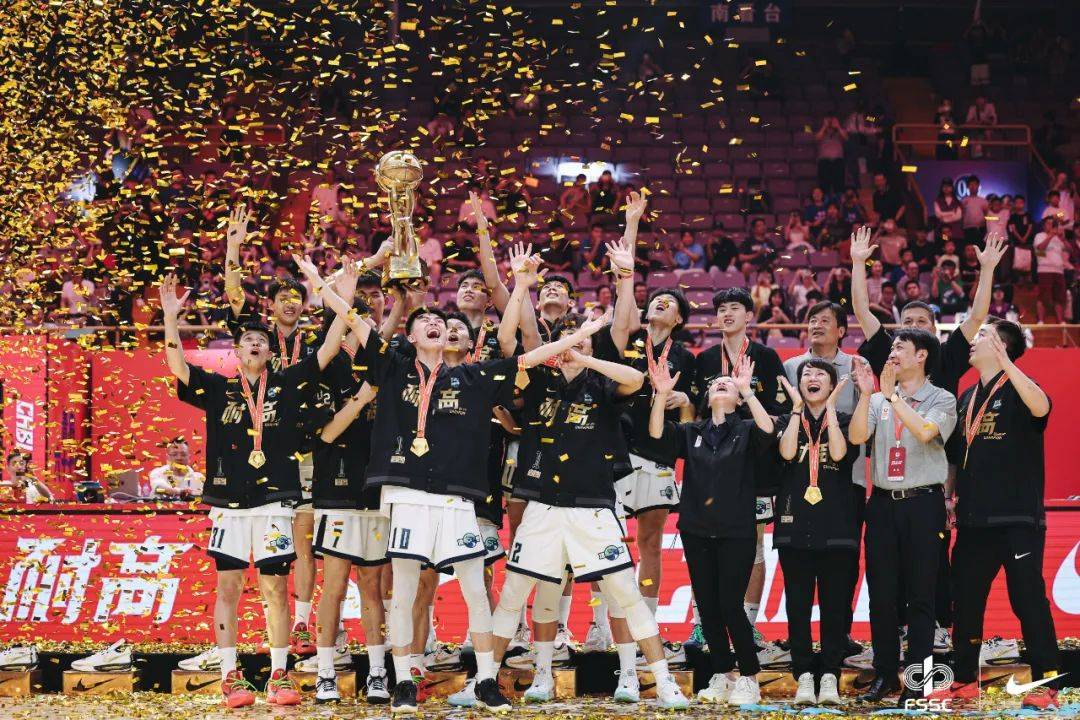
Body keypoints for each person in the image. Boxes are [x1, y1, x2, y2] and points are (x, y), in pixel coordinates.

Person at [325, 244, 601, 713]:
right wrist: (333, 284)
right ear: (411, 335)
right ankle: (405, 680)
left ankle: (487, 680)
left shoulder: (475, 378)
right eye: (426, 322)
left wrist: (577, 332)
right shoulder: (392, 367)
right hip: (407, 495)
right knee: (404, 590)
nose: (437, 325)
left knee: (476, 588)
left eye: (443, 322)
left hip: (457, 499)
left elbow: (531, 357)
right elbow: (353, 319)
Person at [486, 251, 690, 710]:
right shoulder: (538, 382)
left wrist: (586, 356)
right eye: (566, 339)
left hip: (593, 506)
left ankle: (659, 680)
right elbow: (512, 348)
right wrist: (534, 301)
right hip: (542, 503)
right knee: (524, 593)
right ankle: (507, 678)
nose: (572, 347)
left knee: (625, 595)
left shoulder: (602, 385)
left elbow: (635, 378)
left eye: (581, 340)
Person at [160, 265, 348, 709]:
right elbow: (177, 365)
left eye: (262, 339)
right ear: (236, 349)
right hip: (228, 505)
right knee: (228, 589)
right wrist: (170, 318)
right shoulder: (218, 389)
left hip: (275, 504)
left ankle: (279, 674)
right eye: (248, 339)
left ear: (269, 351)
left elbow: (328, 348)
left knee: (275, 590)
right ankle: (230, 675)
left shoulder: (289, 384)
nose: (256, 343)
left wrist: (336, 293)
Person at [928, 320, 1061, 711]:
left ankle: (1048, 683)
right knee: (966, 602)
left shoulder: (1022, 387)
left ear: (1002, 345)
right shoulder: (968, 397)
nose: (974, 340)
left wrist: (1009, 364)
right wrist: (948, 497)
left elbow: (1042, 407)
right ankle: (965, 681)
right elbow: (955, 457)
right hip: (972, 519)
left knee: (1027, 600)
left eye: (982, 335)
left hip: (1017, 518)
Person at [649, 356, 776, 706]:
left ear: (737, 398)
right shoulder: (693, 432)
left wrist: (748, 391)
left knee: (730, 605)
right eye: (715, 383)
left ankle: (749, 676)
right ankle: (721, 673)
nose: (721, 383)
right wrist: (662, 395)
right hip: (696, 530)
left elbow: (769, 431)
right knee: (707, 607)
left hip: (736, 530)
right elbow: (657, 434)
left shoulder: (747, 429)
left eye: (728, 383)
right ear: (706, 397)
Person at [848, 330, 958, 705]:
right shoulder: (879, 398)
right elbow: (857, 436)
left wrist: (893, 397)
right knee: (881, 596)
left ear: (921, 355)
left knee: (921, 596)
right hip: (881, 503)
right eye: (892, 346)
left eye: (900, 347)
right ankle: (884, 675)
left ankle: (918, 681)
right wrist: (868, 395)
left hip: (923, 502)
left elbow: (926, 432)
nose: (892, 352)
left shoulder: (941, 398)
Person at [693, 287, 791, 663]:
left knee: (754, 544)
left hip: (756, 466)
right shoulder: (705, 360)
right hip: (712, 469)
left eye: (734, 307)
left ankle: (746, 623)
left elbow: (780, 414)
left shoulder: (766, 357)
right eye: (721, 309)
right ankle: (704, 623)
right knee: (707, 543)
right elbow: (695, 413)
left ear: (749, 315)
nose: (727, 314)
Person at [781, 302, 867, 659]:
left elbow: (865, 418)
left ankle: (840, 634)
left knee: (843, 560)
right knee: (797, 564)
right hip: (799, 473)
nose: (816, 325)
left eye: (825, 321)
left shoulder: (857, 366)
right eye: (812, 320)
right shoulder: (791, 367)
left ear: (842, 330)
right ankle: (798, 641)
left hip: (847, 474)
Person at [774, 361, 856, 706]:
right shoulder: (787, 420)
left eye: (821, 374)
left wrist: (832, 411)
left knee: (834, 607)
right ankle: (804, 674)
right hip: (794, 525)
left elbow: (838, 453)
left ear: (833, 385)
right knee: (797, 606)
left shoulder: (847, 421)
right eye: (806, 374)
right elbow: (787, 453)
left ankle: (830, 675)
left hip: (837, 527)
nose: (812, 378)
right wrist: (796, 411)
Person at [617, 287, 696, 635]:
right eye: (656, 299)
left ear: (678, 319)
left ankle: (646, 624)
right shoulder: (625, 340)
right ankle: (602, 626)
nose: (661, 302)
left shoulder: (686, 358)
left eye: (671, 302)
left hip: (660, 454)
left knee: (650, 542)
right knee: (610, 541)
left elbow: (691, 418)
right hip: (617, 451)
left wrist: (685, 400)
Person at [1034, 217, 1069, 324]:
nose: (1051, 226)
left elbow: (1069, 250)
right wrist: (1051, 235)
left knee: (1059, 297)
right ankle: (1040, 321)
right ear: (1043, 225)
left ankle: (1061, 321)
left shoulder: (1058, 238)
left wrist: (1063, 239)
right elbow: (1040, 249)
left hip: (1059, 271)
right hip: (1045, 270)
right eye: (1048, 223)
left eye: (1052, 224)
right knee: (1043, 296)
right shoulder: (1039, 236)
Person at [815, 116, 848, 196]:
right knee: (824, 186)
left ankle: (839, 199)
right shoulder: (821, 133)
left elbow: (846, 138)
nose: (830, 124)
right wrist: (824, 126)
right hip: (824, 162)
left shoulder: (839, 133)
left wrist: (838, 126)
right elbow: (816, 138)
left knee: (839, 186)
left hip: (838, 162)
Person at [960, 176, 989, 249]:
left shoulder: (984, 201)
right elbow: (961, 216)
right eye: (971, 184)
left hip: (980, 229)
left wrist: (987, 230)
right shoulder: (963, 201)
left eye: (975, 184)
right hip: (967, 230)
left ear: (978, 186)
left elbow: (988, 217)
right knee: (969, 249)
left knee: (980, 250)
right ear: (967, 186)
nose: (973, 186)